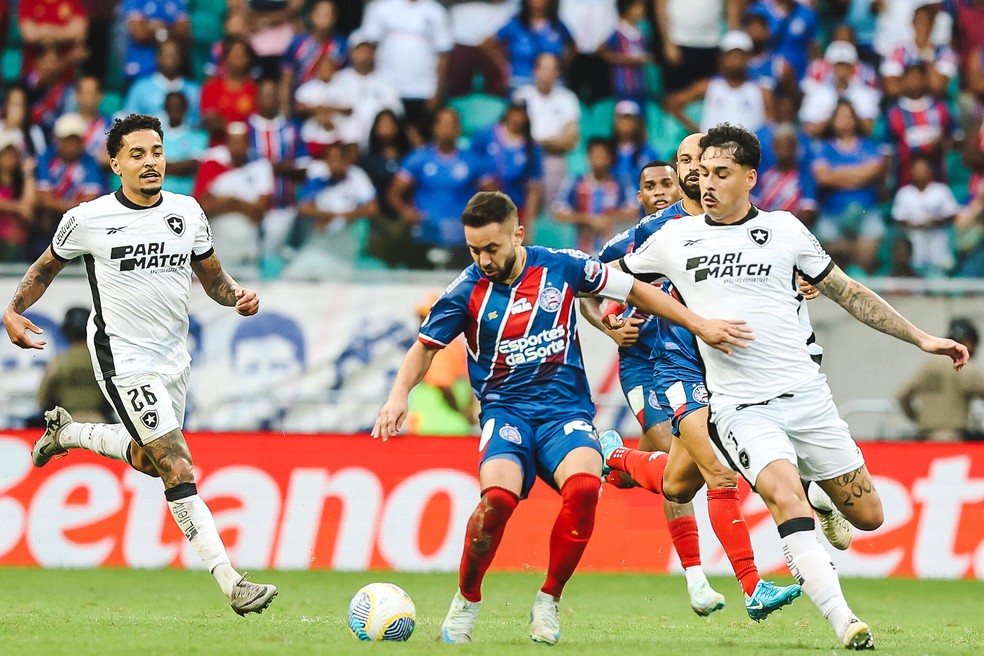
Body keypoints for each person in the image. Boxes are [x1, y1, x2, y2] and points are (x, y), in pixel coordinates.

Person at [608, 123, 968, 650]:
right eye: (702, 172)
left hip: (809, 399)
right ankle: (846, 621)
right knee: (780, 496)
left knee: (868, 517)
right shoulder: (673, 238)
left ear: (751, 177)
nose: (706, 183)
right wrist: (683, 321)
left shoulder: (785, 230)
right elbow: (606, 279)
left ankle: (621, 460)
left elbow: (847, 292)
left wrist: (921, 338)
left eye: (720, 174)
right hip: (741, 407)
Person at [372, 189, 752, 645]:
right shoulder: (467, 290)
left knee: (586, 486)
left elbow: (636, 290)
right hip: (505, 412)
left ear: (517, 233)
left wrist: (698, 323)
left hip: (564, 413)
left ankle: (548, 599)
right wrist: (398, 396)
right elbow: (424, 348)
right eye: (475, 250)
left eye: (492, 248)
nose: (484, 260)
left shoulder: (561, 265)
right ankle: (466, 600)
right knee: (497, 500)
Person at [2, 113, 277, 615]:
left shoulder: (187, 212)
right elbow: (44, 268)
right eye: (137, 154)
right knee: (177, 462)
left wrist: (236, 294)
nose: (150, 162)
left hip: (174, 359)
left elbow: (213, 279)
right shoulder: (88, 219)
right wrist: (13, 311)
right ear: (115, 164)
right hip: (122, 359)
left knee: (153, 463)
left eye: (156, 151)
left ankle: (70, 434)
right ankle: (232, 581)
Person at [583, 141, 811, 620]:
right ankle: (737, 584)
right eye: (681, 165)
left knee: (677, 480)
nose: (687, 175)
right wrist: (607, 323)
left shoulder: (736, 224)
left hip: (718, 364)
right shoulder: (650, 236)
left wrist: (801, 280)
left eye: (693, 166)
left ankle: (616, 456)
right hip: (659, 363)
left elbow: (772, 268)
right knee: (712, 470)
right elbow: (592, 280)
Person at [581, 158, 731, 616]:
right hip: (645, 363)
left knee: (658, 464)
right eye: (652, 186)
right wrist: (608, 331)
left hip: (694, 362)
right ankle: (696, 580)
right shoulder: (633, 240)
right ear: (641, 198)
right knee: (673, 451)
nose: (663, 189)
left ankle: (617, 461)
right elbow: (583, 288)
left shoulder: (711, 229)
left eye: (669, 181)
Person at [388, 108, 496, 269]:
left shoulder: (472, 161)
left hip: (460, 237)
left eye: (451, 124)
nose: (447, 128)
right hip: (425, 233)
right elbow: (394, 194)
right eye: (442, 123)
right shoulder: (418, 158)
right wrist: (407, 212)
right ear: (434, 127)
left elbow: (494, 196)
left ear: (458, 128)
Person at [811, 100, 886, 274]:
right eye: (840, 116)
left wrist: (837, 175)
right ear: (833, 121)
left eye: (848, 116)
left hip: (866, 210)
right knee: (827, 235)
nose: (844, 121)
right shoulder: (823, 148)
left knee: (873, 232)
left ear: (855, 120)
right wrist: (858, 176)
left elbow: (874, 171)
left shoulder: (869, 145)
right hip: (833, 212)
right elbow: (823, 177)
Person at [898, 318, 984, 442]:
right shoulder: (965, 368)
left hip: (923, 438)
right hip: (953, 439)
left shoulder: (927, 367)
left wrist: (918, 418)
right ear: (968, 343)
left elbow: (902, 396)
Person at [513, 53, 580, 208]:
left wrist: (538, 142)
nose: (546, 74)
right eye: (543, 69)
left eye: (551, 70)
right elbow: (513, 133)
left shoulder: (567, 98)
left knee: (554, 208)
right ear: (534, 71)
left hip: (553, 157)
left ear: (557, 74)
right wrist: (551, 141)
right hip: (525, 156)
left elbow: (570, 139)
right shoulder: (521, 96)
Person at [553, 137, 638, 253]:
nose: (599, 161)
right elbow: (559, 212)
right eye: (595, 156)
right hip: (580, 249)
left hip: (613, 249)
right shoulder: (574, 182)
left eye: (603, 156)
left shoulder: (621, 183)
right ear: (588, 156)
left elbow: (634, 210)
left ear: (611, 158)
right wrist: (588, 219)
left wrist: (608, 219)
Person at [469, 100, 544, 223]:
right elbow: (470, 163)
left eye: (521, 113)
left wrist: (528, 223)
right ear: (507, 112)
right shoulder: (485, 135)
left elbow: (533, 188)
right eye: (514, 112)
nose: (517, 118)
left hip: (513, 208)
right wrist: (483, 180)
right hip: (483, 207)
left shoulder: (531, 147)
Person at [37, 307, 112, 423]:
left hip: (67, 423)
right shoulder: (103, 360)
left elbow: (44, 398)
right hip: (100, 422)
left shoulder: (58, 362)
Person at [891, 154, 959, 275]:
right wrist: (918, 225)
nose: (920, 172)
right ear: (911, 171)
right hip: (914, 240)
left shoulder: (941, 190)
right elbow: (899, 219)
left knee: (939, 272)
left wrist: (934, 222)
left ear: (930, 170)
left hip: (938, 239)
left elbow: (951, 216)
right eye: (917, 168)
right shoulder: (904, 193)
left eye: (923, 168)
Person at [279, 0, 347, 116]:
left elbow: (347, 80)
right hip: (303, 107)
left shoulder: (342, 46)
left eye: (329, 14)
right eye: (321, 13)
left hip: (333, 108)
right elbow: (286, 82)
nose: (326, 18)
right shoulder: (297, 44)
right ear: (312, 16)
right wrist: (286, 113)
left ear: (335, 18)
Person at [122, 39, 202, 129]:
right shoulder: (140, 88)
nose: (170, 58)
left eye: (174, 54)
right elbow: (129, 122)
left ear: (181, 58)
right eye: (166, 54)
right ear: (157, 58)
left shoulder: (194, 90)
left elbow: (199, 123)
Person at [0, 131, 36, 262]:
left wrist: (28, 174)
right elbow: (21, 208)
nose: (10, 158)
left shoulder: (21, 182)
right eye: (6, 154)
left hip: (16, 242)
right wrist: (16, 207)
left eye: (14, 154)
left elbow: (28, 207)